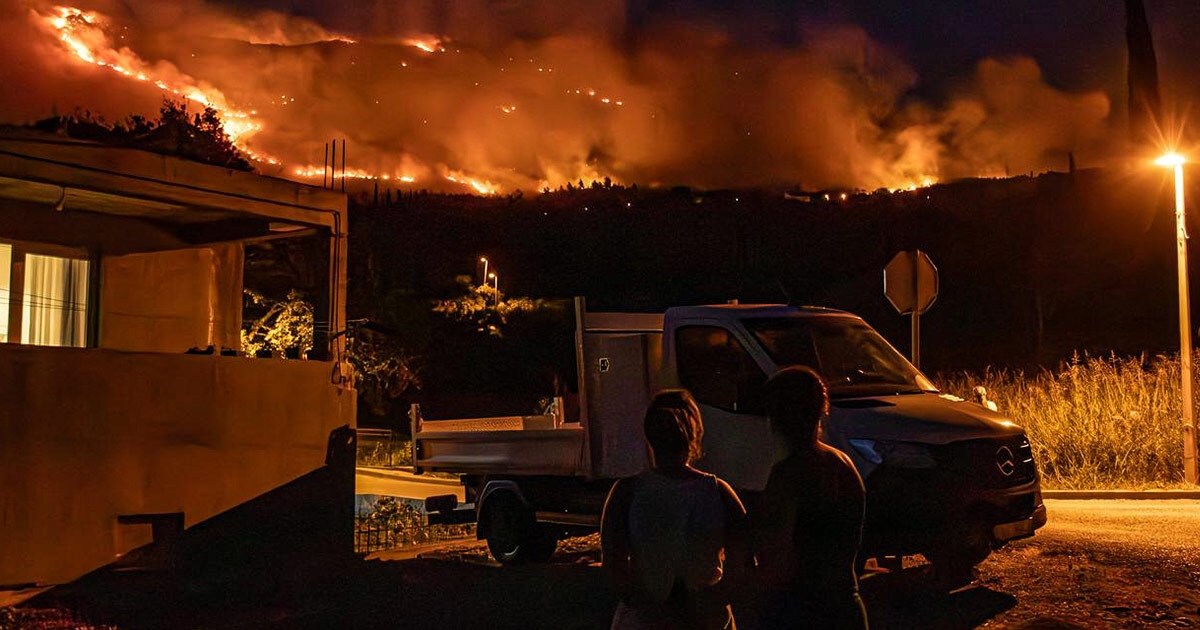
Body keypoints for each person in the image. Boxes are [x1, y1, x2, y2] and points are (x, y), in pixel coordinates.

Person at [601, 389, 749, 630]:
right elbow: (742, 562)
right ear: (694, 433)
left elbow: (613, 564)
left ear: (650, 436)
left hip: (644, 621)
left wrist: (649, 605)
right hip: (706, 621)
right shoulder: (718, 492)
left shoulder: (626, 492)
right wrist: (711, 600)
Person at [753, 366, 868, 629]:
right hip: (846, 604)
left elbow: (778, 557)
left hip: (802, 611)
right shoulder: (843, 464)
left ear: (778, 418)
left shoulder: (788, 475)